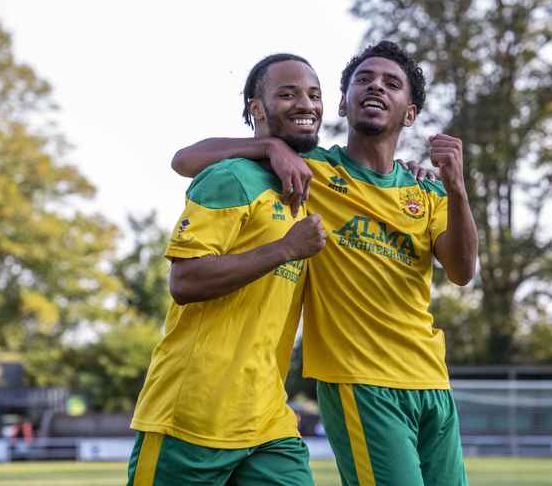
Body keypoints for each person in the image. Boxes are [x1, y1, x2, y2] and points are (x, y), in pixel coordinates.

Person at [172, 41, 479, 486]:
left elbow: (462, 270)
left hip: (431, 379)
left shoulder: (426, 190)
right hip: (360, 380)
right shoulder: (310, 171)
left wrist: (458, 188)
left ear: (409, 114)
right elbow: (185, 160)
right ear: (343, 102)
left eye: (391, 84)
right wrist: (271, 148)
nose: (376, 87)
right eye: (364, 80)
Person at [127, 53, 327, 486]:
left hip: (269, 419)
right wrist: (286, 249)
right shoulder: (231, 177)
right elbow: (185, 280)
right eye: (287, 94)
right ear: (256, 108)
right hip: (192, 415)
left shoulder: (313, 178)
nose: (306, 104)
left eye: (314, 94)